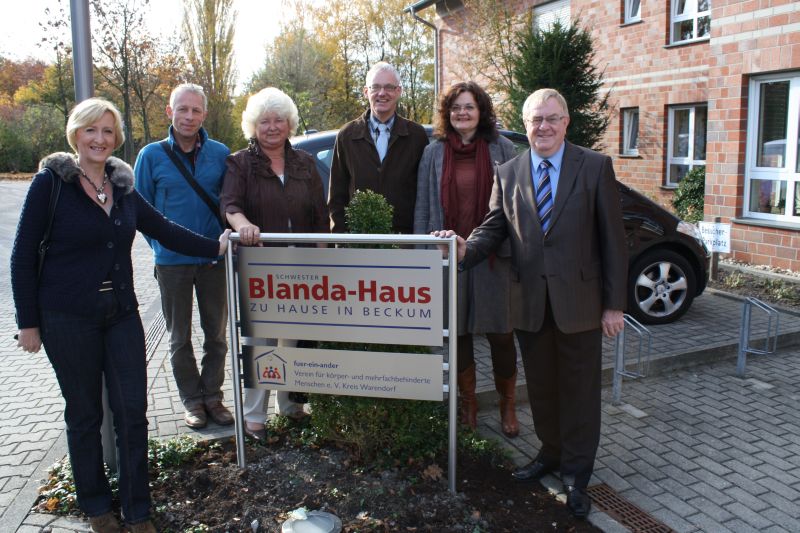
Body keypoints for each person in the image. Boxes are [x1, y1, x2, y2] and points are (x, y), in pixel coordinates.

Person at [11, 98, 231, 533]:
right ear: (76, 134)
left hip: (122, 314)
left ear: (117, 138)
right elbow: (21, 256)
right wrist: (27, 322)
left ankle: (137, 510)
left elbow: (163, 228)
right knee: (85, 413)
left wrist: (216, 246)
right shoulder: (50, 185)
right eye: (91, 130)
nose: (99, 139)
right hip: (67, 317)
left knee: (133, 411)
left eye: (108, 132)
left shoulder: (123, 186)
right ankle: (96, 507)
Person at [435, 88, 627, 519]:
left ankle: (577, 474)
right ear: (524, 124)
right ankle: (550, 454)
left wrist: (614, 304)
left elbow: (614, 240)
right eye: (536, 119)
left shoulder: (594, 167)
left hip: (580, 303)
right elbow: (494, 227)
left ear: (566, 122)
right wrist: (466, 248)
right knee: (540, 387)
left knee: (578, 392)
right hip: (530, 304)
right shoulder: (510, 171)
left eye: (551, 118)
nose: (543, 126)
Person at [220, 87, 329, 441]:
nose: (272, 127)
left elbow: (319, 213)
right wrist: (242, 226)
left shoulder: (304, 163)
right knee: (261, 340)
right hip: (261, 267)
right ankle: (254, 416)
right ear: (253, 125)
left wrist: (324, 257)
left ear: (289, 124)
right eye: (264, 120)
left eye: (278, 119)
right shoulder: (240, 163)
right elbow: (230, 205)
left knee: (293, 339)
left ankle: (291, 405)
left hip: (301, 264)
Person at [414, 81, 519, 437]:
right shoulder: (433, 153)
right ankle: (468, 404)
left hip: (493, 257)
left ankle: (508, 404)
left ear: (482, 111)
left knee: (501, 334)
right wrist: (421, 254)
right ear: (448, 113)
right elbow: (423, 206)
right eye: (456, 107)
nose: (462, 112)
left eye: (469, 106)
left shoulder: (502, 148)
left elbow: (514, 209)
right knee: (457, 333)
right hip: (449, 257)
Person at [134, 83, 233, 430]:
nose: (188, 116)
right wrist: (160, 248)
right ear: (170, 112)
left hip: (213, 260)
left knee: (216, 335)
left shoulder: (220, 153)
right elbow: (140, 211)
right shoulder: (151, 155)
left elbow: (229, 202)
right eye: (182, 109)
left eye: (195, 110)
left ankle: (213, 397)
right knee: (179, 338)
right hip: (171, 263)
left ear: (204, 114)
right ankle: (191, 400)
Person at [328, 61, 428, 234]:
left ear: (399, 91)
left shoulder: (416, 136)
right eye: (375, 87)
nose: (382, 93)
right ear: (366, 92)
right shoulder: (347, 136)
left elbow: (425, 194)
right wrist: (341, 241)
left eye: (389, 87)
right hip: (359, 243)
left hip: (406, 242)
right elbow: (337, 196)